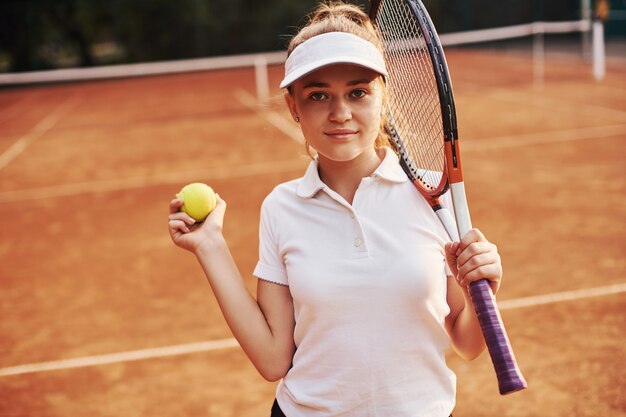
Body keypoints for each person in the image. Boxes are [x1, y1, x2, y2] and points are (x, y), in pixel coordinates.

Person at [168, 2, 503, 416]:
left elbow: (467, 344)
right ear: (294, 107)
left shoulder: (434, 196)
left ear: (383, 95)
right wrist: (210, 246)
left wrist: (483, 289)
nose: (340, 113)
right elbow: (273, 359)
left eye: (358, 92)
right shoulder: (281, 207)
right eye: (318, 95)